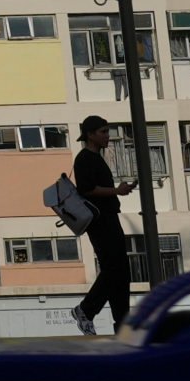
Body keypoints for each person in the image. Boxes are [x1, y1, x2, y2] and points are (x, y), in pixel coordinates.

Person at [68, 114, 134, 338]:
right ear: (90, 134)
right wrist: (117, 191)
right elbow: (86, 189)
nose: (107, 136)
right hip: (99, 221)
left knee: (121, 271)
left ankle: (122, 324)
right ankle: (85, 310)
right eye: (103, 132)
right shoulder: (85, 158)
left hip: (108, 217)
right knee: (114, 269)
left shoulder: (96, 157)